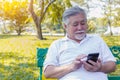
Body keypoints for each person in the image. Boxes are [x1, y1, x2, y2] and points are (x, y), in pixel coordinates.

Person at [43, 6, 116, 80]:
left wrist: (100, 68)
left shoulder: (97, 40)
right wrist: (71, 66)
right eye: (75, 24)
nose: (80, 27)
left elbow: (112, 66)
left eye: (83, 23)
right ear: (65, 26)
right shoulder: (57, 45)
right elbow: (48, 73)